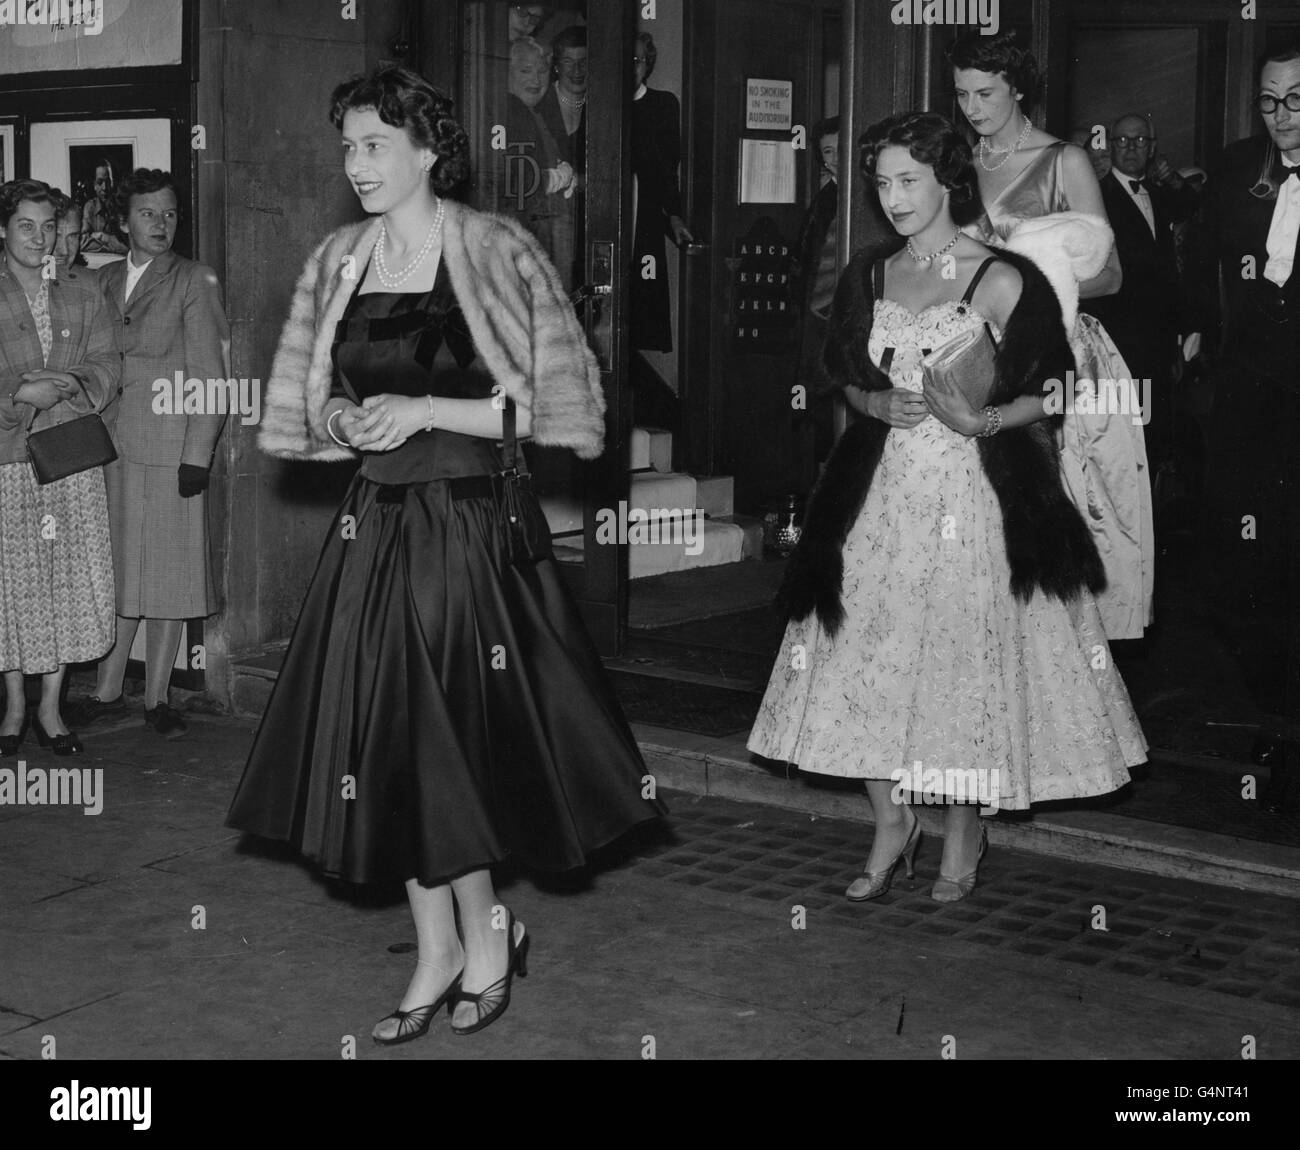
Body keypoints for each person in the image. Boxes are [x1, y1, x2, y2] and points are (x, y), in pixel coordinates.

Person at [225, 65, 663, 1044]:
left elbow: (542, 402)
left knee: (447, 739)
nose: (358, 162)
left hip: (463, 527)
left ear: (428, 151)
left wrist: (424, 406)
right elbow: (327, 399)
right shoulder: (344, 262)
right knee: (387, 741)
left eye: (375, 143)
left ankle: (487, 936)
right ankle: (441, 950)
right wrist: (343, 415)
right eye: (347, 145)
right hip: (375, 527)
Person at [748, 112, 1145, 903]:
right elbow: (839, 373)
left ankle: (965, 828)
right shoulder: (870, 272)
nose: (893, 198)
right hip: (878, 499)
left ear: (947, 181)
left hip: (976, 500)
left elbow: (1057, 390)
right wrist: (870, 400)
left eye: (908, 181)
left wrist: (984, 419)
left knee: (962, 666)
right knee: (862, 656)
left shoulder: (998, 276)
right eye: (882, 182)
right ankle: (892, 822)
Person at [949, 31, 1154, 643]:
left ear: (1017, 87)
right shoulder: (955, 165)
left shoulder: (1062, 160)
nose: (973, 108)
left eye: (986, 92)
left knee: (1061, 510)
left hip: (1056, 350)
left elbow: (1112, 276)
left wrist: (1026, 290)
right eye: (961, 95)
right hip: (976, 353)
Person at [67, 169, 230, 739]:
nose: (161, 224)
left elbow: (213, 375)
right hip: (109, 451)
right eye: (148, 214)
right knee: (118, 573)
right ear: (123, 221)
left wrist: (198, 454)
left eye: (169, 214)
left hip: (170, 450)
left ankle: (158, 697)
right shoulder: (101, 281)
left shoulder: (193, 279)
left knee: (168, 573)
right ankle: (109, 687)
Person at [1188, 42, 1300, 810]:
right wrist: (1196, 335)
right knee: (1245, 564)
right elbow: (1203, 268)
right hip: (1251, 394)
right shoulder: (1235, 169)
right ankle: (1278, 712)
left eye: (1296, 100)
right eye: (1268, 101)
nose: (1281, 117)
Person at [0, 179, 119, 757]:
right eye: (26, 225)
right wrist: (22, 394)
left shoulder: (82, 287)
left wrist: (70, 383)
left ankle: (50, 708)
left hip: (69, 460)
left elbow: (107, 361)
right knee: (13, 585)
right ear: (4, 228)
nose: (39, 238)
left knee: (64, 583)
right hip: (7, 462)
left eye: (49, 227)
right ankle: (14, 706)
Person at [1081, 114, 1199, 482]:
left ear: (1152, 148)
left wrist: (1176, 339)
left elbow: (1192, 208)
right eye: (1122, 140)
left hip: (1159, 341)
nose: (1131, 148)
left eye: (1140, 141)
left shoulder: (1161, 194)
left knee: (1154, 438)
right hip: (1115, 340)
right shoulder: (1096, 196)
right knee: (1118, 443)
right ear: (1111, 145)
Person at [631, 31, 692, 352]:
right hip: (610, 219)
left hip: (646, 221)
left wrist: (676, 216)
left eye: (637, 61)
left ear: (647, 64)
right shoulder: (598, 106)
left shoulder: (663, 105)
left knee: (642, 310)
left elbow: (669, 171)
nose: (630, 68)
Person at [501, 35, 577, 289]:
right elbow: (514, 181)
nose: (536, 80)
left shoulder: (533, 113)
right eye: (525, 70)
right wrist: (554, 177)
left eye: (542, 71)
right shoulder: (511, 111)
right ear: (506, 73)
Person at [792, 115, 842, 483]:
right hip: (815, 314)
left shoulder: (859, 197)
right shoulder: (827, 195)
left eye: (841, 148)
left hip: (837, 315)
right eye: (828, 151)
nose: (835, 157)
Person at [537, 24, 588, 288]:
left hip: (588, 225)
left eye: (583, 61)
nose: (576, 70)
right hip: (548, 226)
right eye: (568, 61)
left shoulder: (604, 105)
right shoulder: (537, 101)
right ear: (556, 65)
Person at [78, 159, 127, 256]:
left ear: (113, 183)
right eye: (100, 182)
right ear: (94, 185)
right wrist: (112, 243)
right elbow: (82, 243)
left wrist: (103, 237)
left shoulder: (120, 207)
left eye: (108, 182)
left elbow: (127, 246)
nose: (104, 187)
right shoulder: (90, 207)